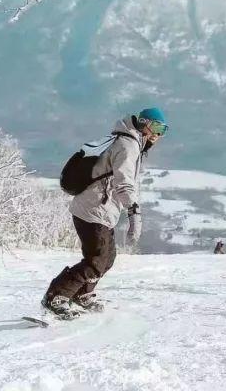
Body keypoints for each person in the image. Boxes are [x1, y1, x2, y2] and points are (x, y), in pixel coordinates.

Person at [42, 107, 168, 318]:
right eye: (155, 127)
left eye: (163, 130)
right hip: (93, 210)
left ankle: (82, 294)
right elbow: (124, 183)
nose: (158, 134)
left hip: (101, 210)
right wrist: (134, 211)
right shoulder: (128, 146)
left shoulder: (130, 141)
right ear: (144, 123)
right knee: (96, 260)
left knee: (107, 258)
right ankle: (56, 296)